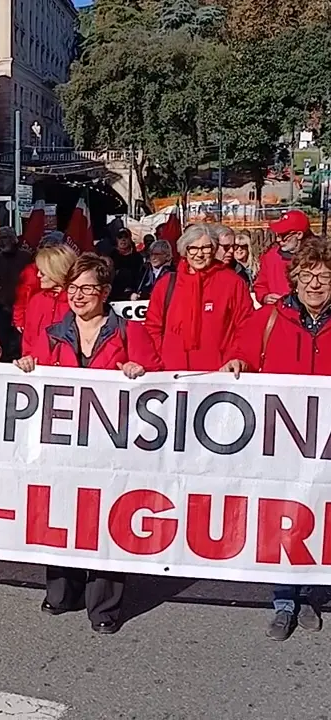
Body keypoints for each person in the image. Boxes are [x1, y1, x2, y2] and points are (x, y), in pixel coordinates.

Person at [15, 253, 161, 634]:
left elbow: (159, 382)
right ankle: (63, 590)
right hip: (63, 444)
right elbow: (37, 383)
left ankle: (105, 605)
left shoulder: (129, 332)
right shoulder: (53, 332)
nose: (78, 296)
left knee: (106, 518)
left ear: (105, 292)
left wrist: (138, 373)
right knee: (61, 514)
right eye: (73, 288)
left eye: (88, 288)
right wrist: (28, 366)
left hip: (111, 444)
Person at [236, 236, 331, 640]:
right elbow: (237, 351)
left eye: (324, 277)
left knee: (323, 517)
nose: (314, 284)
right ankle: (283, 599)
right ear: (294, 279)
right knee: (284, 518)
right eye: (307, 276)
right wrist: (235, 361)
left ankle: (312, 591)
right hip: (282, 442)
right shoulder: (271, 319)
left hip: (326, 444)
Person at [145, 223, 253, 373]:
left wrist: (236, 357)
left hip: (218, 375)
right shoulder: (166, 284)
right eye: (193, 248)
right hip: (172, 376)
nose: (200, 254)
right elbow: (152, 328)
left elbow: (246, 327)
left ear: (214, 249)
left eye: (205, 248)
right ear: (185, 251)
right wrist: (160, 360)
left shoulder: (232, 283)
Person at [21, 244, 77, 356]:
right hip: (38, 367)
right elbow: (28, 338)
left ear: (57, 271)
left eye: (43, 272)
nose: (38, 275)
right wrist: (27, 358)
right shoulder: (36, 300)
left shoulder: (77, 301)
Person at [0, 227, 33, 358]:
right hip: (2, 310)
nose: (1, 242)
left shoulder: (26, 257)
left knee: (21, 346)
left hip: (23, 310)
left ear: (13, 239)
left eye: (4, 238)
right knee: (3, 345)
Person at [254, 210, 312, 304]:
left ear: (299, 235)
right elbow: (260, 285)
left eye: (283, 235)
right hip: (278, 312)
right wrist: (264, 297)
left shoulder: (318, 257)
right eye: (277, 235)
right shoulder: (270, 256)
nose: (278, 239)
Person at [109, 228, 144, 301]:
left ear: (130, 239)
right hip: (115, 293)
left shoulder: (137, 257)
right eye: (120, 237)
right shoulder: (111, 256)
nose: (123, 239)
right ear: (116, 239)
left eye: (126, 237)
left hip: (134, 292)